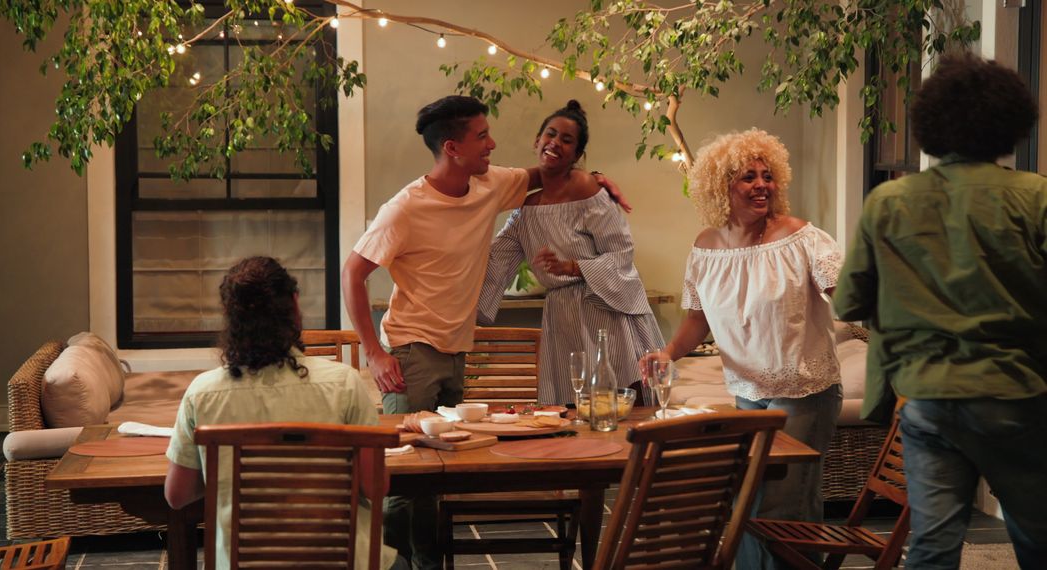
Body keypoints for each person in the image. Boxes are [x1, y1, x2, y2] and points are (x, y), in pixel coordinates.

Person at [341, 95, 627, 569]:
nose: (493, 144)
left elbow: (546, 171)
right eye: (482, 137)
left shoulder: (490, 184)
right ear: (452, 147)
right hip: (412, 350)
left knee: (436, 474)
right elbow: (353, 273)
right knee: (406, 475)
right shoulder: (405, 209)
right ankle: (394, 564)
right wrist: (373, 352)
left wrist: (596, 181)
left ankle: (429, 564)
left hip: (455, 351)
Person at [834, 53, 1047, 569]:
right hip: (1013, 395)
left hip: (926, 399)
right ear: (1009, 123)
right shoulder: (1034, 197)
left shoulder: (889, 201)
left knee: (932, 544)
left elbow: (849, 302)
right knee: (1038, 536)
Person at [640, 128, 843, 569]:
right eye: (747, 177)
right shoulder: (705, 248)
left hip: (804, 390)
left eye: (767, 176)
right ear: (721, 187)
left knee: (783, 509)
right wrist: (666, 353)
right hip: (748, 394)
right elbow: (698, 319)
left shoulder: (802, 238)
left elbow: (842, 291)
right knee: (745, 504)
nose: (761, 185)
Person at [164, 256, 390, 570]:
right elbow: (375, 487)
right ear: (294, 306)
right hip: (342, 561)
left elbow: (177, 495)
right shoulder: (345, 384)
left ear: (231, 319)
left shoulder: (201, 393)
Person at [478, 100, 663, 405]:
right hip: (562, 319)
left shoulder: (588, 190)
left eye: (567, 140)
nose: (555, 143)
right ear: (537, 141)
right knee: (572, 407)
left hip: (605, 312)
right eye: (550, 135)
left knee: (624, 407)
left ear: (577, 155)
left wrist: (574, 268)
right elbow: (495, 260)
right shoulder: (525, 209)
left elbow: (622, 253)